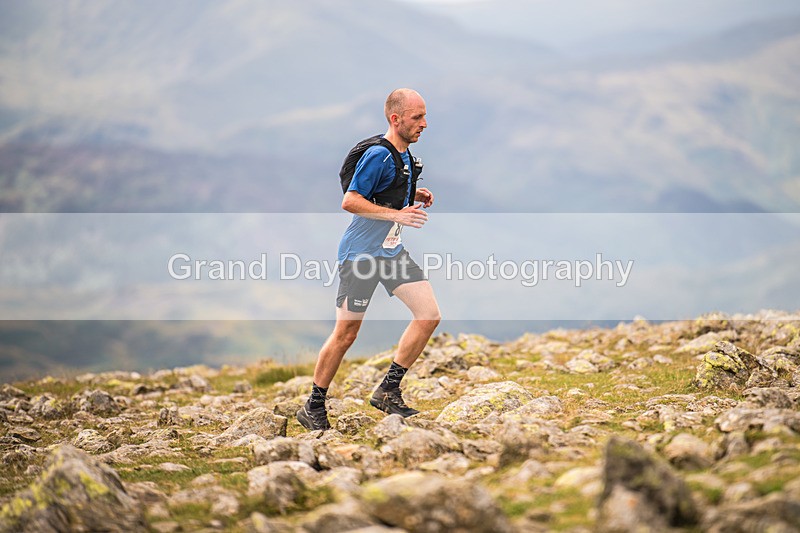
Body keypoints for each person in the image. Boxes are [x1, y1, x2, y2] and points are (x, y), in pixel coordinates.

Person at [296, 88, 441, 431]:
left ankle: (388, 390)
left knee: (428, 315)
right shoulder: (378, 154)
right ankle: (313, 406)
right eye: (417, 117)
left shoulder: (405, 156)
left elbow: (385, 189)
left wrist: (412, 193)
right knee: (346, 334)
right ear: (396, 119)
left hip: (390, 252)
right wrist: (398, 215)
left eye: (424, 116)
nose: (424, 123)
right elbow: (351, 200)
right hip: (361, 255)